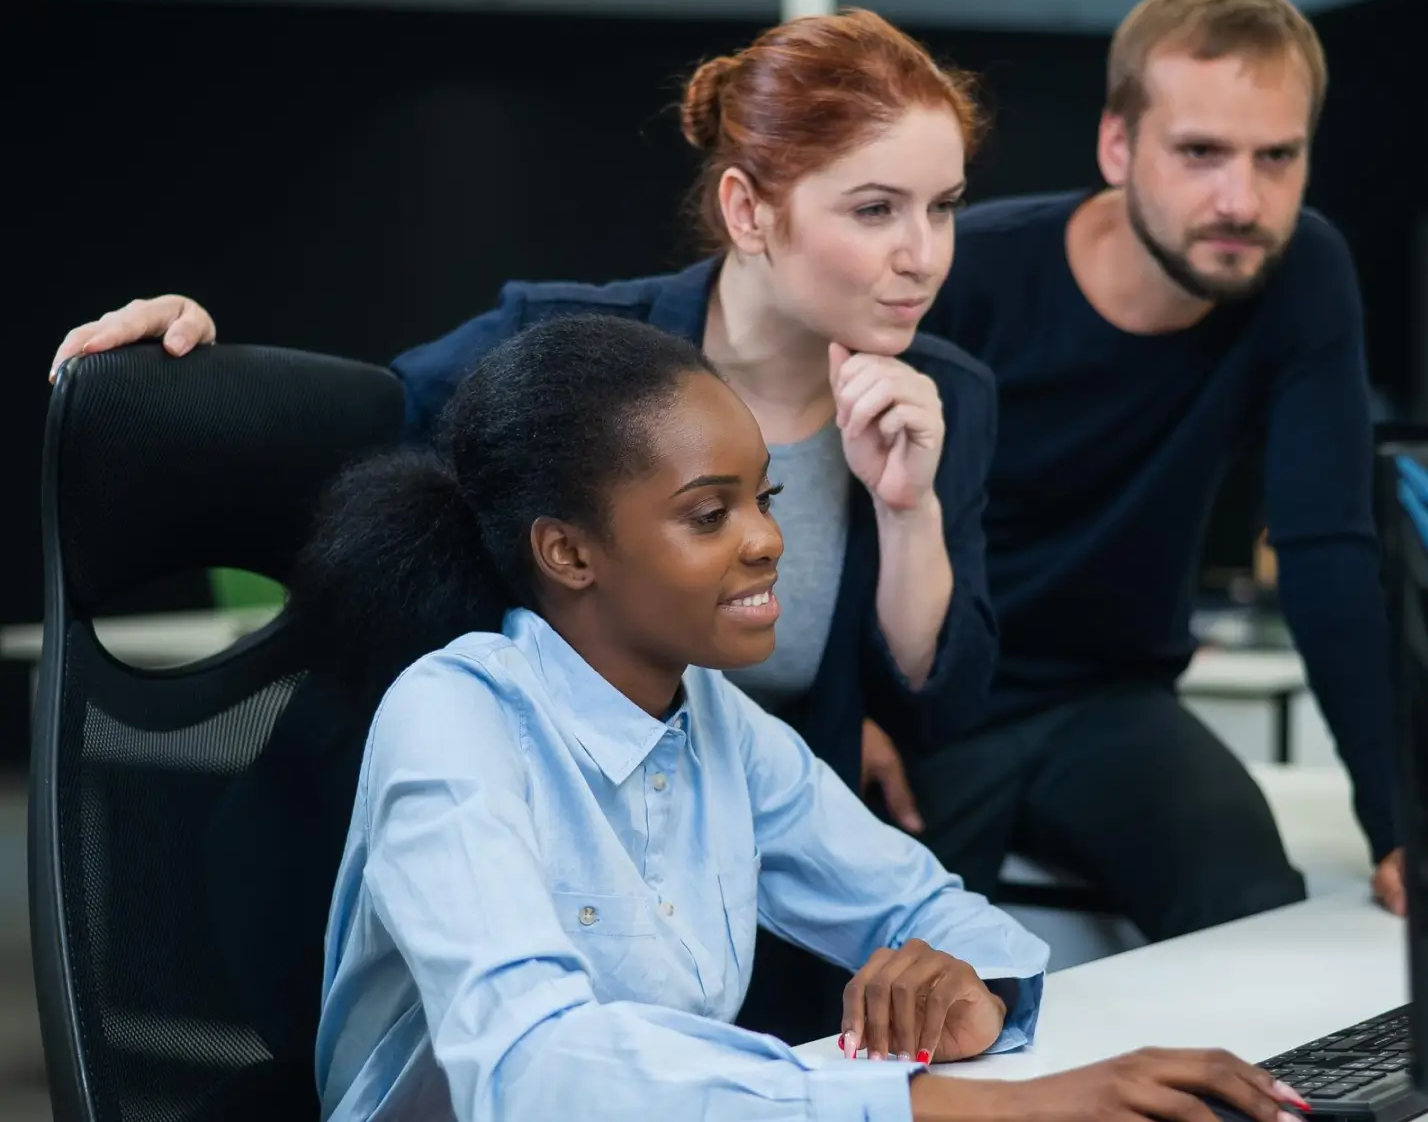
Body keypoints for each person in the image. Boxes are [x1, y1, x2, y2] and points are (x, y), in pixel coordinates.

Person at [49, 8, 996, 1041]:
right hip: (493, 867)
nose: (923, 256)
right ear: (748, 209)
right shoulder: (571, 351)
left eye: (943, 208)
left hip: (721, 882)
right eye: (875, 210)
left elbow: (932, 712)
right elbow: (342, 448)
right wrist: (192, 359)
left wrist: (909, 512)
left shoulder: (942, 393)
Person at [292, 311, 1313, 1122]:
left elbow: (931, 907)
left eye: (764, 499)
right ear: (568, 552)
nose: (768, 540)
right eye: (710, 513)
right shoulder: (454, 717)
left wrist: (970, 988)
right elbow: (533, 1074)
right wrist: (946, 1107)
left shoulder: (713, 720)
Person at [896, 0, 1407, 931]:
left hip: (1110, 706)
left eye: (1277, 157)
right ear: (1118, 147)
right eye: (1201, 153)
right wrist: (854, 721)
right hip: (926, 704)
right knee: (858, 973)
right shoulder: (969, 274)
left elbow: (1328, 549)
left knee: (1252, 910)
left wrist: (1401, 825)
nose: (1241, 200)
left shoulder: (1303, 275)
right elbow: (828, 505)